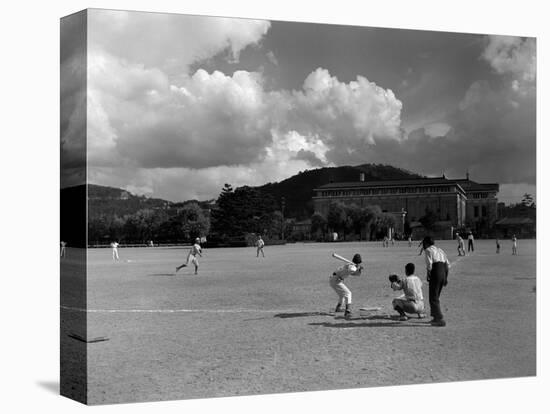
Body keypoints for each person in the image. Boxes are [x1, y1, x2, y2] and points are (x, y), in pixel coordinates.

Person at [422, 236, 450, 327]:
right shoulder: (440, 250)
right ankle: (435, 317)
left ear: (426, 243)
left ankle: (439, 318)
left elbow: (429, 264)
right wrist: (445, 277)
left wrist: (428, 274)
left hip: (436, 272)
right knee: (436, 296)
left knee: (433, 297)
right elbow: (447, 264)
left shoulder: (428, 250)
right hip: (443, 272)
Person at [329, 254, 364, 320]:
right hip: (336, 280)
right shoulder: (352, 266)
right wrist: (357, 268)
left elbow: (356, 274)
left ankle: (338, 308)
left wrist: (359, 270)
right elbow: (352, 270)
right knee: (348, 293)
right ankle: (348, 311)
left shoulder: (350, 265)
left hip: (334, 279)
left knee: (342, 295)